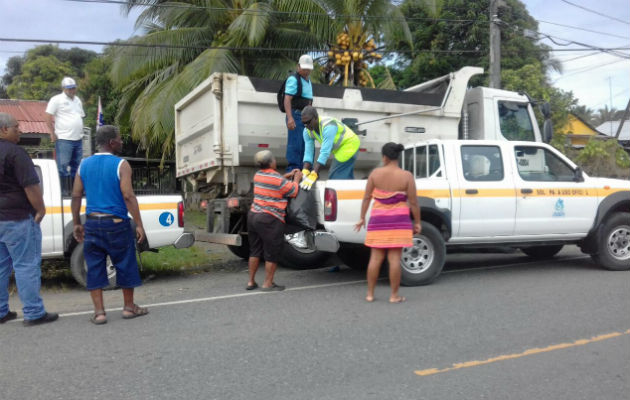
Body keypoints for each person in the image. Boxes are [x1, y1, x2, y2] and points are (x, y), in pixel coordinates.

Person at [71, 125, 148, 324]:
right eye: (120, 139)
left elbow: (76, 194)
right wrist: (139, 224)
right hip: (116, 224)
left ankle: (99, 313)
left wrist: (77, 224)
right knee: (125, 262)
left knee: (95, 266)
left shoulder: (84, 165)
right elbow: (128, 195)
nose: (122, 142)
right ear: (112, 142)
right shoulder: (121, 164)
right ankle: (129, 308)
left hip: (93, 223)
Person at [0, 113, 59, 326]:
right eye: (17, 127)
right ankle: (33, 313)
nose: (20, 131)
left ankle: (1, 312)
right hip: (17, 219)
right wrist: (40, 209)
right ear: (4, 129)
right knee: (26, 266)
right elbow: (30, 186)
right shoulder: (16, 154)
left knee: (0, 267)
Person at [354, 142, 421, 303]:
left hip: (378, 221)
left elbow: (366, 198)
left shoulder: (375, 174)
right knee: (394, 259)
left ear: (384, 157)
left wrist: (362, 217)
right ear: (397, 157)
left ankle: (370, 294)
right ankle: (394, 295)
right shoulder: (406, 176)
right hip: (399, 221)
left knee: (375, 259)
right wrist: (417, 222)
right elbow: (413, 202)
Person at [246, 150, 302, 292]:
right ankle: (268, 283)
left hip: (253, 216)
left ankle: (251, 282)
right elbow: (293, 191)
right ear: (271, 162)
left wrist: (287, 176)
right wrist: (296, 179)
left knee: (255, 251)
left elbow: (275, 182)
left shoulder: (258, 175)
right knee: (272, 252)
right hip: (270, 218)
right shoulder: (277, 179)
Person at [299, 106, 360, 190]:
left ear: (316, 117)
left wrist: (314, 173)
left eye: (308, 122)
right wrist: (305, 171)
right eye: (303, 123)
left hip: (349, 144)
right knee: (346, 179)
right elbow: (308, 152)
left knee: (335, 177)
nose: (306, 126)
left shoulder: (328, 126)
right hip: (340, 148)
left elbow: (325, 152)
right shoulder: (307, 131)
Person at [45, 76, 85, 189]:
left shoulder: (77, 100)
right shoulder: (56, 99)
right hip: (64, 138)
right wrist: (52, 132)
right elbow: (48, 115)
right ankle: (62, 192)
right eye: (69, 88)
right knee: (62, 166)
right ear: (63, 88)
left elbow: (80, 116)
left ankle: (75, 191)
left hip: (78, 138)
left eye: (73, 88)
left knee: (77, 166)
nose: (72, 90)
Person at [283, 54, 314, 173]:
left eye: (308, 69)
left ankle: (305, 170)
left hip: (306, 117)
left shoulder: (308, 81)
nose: (306, 71)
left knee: (306, 144)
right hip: (296, 115)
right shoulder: (293, 79)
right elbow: (287, 99)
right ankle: (293, 170)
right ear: (298, 67)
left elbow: (309, 100)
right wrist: (290, 118)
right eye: (304, 68)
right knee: (295, 145)